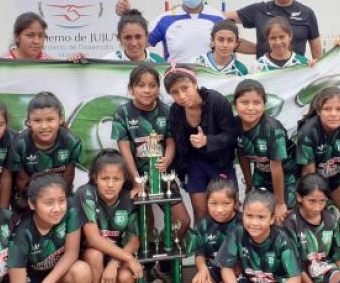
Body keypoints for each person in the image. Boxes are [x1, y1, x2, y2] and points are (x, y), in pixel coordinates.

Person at [111, 64, 190, 243]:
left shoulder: (166, 111)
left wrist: (168, 158)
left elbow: (170, 141)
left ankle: (163, 259)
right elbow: (124, 150)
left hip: (161, 176)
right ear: (131, 89)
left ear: (158, 88)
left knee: (183, 221)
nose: (147, 90)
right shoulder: (122, 113)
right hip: (136, 177)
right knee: (145, 226)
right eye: (141, 85)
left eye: (152, 85)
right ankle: (146, 266)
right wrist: (136, 181)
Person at [8, 174, 92, 283]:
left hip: (56, 273)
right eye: (48, 203)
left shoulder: (71, 210)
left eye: (61, 200)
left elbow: (72, 252)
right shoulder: (21, 233)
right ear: (32, 204)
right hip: (30, 280)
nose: (57, 208)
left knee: (82, 271)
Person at [210, 189, 302, 283]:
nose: (254, 222)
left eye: (261, 217)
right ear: (243, 214)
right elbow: (226, 269)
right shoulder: (237, 233)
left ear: (272, 219)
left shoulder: (281, 238)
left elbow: (295, 279)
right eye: (249, 216)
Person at [296, 87, 340, 275]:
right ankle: (313, 263)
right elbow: (308, 171)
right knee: (316, 219)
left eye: (339, 109)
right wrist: (313, 202)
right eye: (327, 109)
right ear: (319, 111)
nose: (333, 114)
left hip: (335, 180)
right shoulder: (308, 132)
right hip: (313, 183)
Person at [74, 150, 141, 283]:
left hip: (115, 256)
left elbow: (134, 240)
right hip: (89, 255)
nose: (110, 184)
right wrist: (127, 258)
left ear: (124, 179)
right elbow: (93, 239)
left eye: (116, 179)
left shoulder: (129, 198)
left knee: (127, 279)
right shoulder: (85, 194)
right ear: (95, 177)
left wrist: (114, 263)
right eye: (104, 178)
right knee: (95, 254)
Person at [164, 63, 239, 222]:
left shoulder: (216, 101)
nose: (182, 96)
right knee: (200, 213)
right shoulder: (175, 110)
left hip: (220, 163)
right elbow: (177, 144)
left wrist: (207, 140)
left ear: (195, 83)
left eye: (185, 88)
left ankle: (233, 246)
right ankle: (203, 246)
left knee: (229, 211)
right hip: (195, 165)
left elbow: (232, 135)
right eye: (174, 92)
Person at [116, 0, 225, 62]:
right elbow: (139, 43)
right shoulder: (165, 19)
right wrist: (128, 15)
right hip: (177, 83)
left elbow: (230, 47)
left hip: (211, 82)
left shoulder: (219, 19)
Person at [225, 0, 322, 60]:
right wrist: (257, 48)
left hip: (296, 73)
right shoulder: (259, 9)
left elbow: (317, 53)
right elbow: (220, 17)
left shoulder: (307, 13)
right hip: (265, 72)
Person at [6, 92, 81, 216]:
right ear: (28, 121)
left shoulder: (71, 141)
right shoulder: (20, 143)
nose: (44, 126)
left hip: (59, 195)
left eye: (50, 120)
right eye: (37, 120)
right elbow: (21, 181)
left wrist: (55, 203)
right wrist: (38, 205)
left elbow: (68, 177)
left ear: (60, 119)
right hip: (29, 197)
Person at [234, 79, 297, 223]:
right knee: (259, 214)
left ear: (264, 105)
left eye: (257, 102)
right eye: (244, 102)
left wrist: (280, 203)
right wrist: (249, 184)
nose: (250, 108)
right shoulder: (235, 124)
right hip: (261, 174)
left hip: (286, 177)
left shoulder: (273, 129)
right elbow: (242, 154)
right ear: (235, 104)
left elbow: (276, 168)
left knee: (281, 218)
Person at [187, 177, 242, 283]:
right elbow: (199, 253)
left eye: (226, 203)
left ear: (235, 203)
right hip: (215, 270)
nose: (219, 210)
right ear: (206, 203)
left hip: (237, 272)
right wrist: (202, 269)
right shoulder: (203, 225)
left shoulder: (243, 223)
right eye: (213, 203)